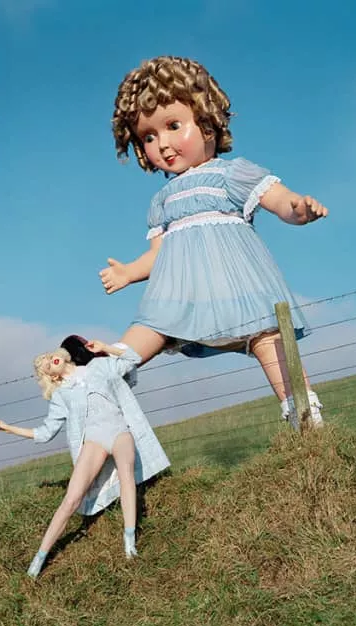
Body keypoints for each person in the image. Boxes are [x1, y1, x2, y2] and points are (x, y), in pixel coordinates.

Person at [100, 55, 328, 430]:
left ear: (206, 121)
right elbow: (159, 255)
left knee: (267, 337)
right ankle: (112, 365)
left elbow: (279, 201)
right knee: (155, 321)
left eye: (173, 126)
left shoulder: (231, 173)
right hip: (183, 291)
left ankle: (303, 414)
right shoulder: (162, 201)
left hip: (239, 282)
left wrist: (299, 209)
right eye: (149, 137)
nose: (163, 144)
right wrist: (129, 272)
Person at [0, 339, 170, 577]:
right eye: (46, 366)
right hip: (94, 440)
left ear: (61, 356)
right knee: (71, 499)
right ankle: (40, 557)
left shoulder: (99, 366)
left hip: (119, 431)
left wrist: (105, 348)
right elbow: (45, 433)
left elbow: (132, 358)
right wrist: (10, 428)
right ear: (52, 376)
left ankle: (129, 540)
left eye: (49, 357)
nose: (49, 361)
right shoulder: (61, 395)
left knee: (127, 476)